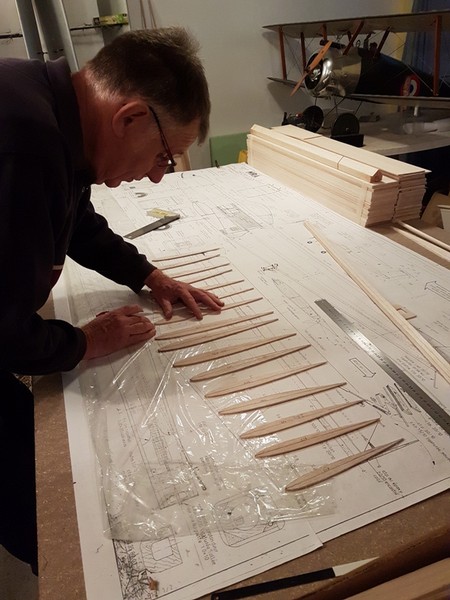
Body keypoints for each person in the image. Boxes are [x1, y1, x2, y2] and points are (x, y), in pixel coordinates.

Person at [0, 27, 223, 575]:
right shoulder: (25, 142)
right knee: (49, 515)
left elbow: (73, 217)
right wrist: (84, 341)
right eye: (165, 156)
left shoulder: (49, 109)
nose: (157, 176)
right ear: (130, 118)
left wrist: (147, 274)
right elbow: (4, 333)